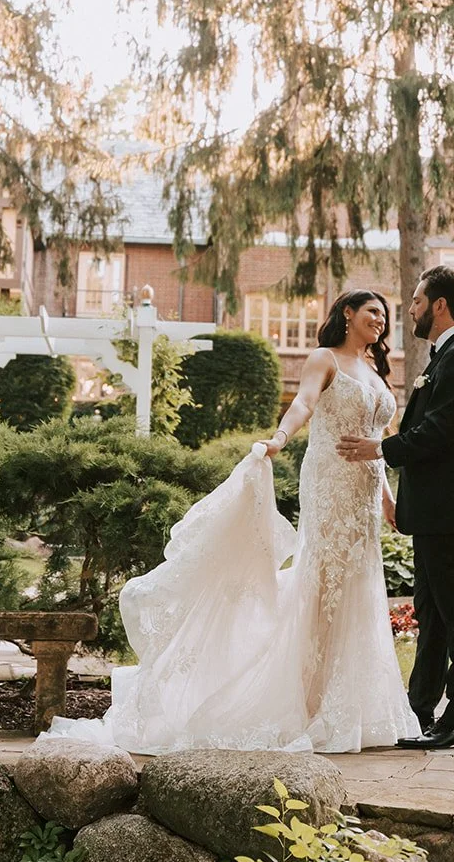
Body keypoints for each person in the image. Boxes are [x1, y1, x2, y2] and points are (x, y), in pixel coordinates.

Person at [41, 289, 420, 754]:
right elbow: (302, 403)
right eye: (372, 312)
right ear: (348, 313)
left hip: (363, 496)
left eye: (385, 315)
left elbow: (378, 440)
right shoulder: (326, 358)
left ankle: (348, 705)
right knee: (323, 584)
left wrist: (387, 499)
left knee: (358, 586)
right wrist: (280, 437)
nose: (381, 321)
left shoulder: (378, 372)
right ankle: (308, 700)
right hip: (329, 483)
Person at [338, 265, 454, 750]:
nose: (410, 310)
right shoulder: (446, 355)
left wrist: (379, 449)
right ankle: (418, 711)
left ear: (439, 306)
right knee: (433, 613)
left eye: (417, 301)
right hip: (434, 508)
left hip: (450, 507)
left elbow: (440, 433)